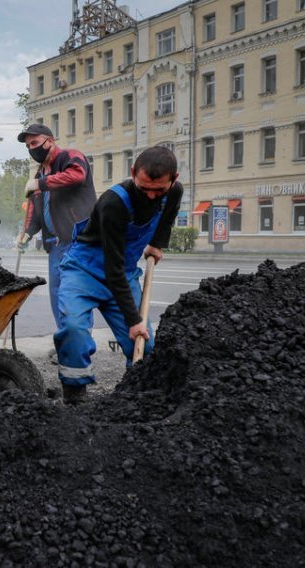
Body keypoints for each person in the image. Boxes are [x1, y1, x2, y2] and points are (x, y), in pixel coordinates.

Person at [54, 146, 183, 404]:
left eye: (158, 190)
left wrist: (157, 244)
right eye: (143, 187)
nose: (150, 196)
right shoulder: (114, 202)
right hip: (85, 270)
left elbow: (167, 218)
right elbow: (112, 270)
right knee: (73, 328)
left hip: (123, 272)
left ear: (173, 179)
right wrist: (134, 320)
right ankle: (75, 393)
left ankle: (132, 393)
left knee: (144, 346)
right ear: (133, 172)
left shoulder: (174, 193)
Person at [17, 124, 96, 330]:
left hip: (77, 242)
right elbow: (34, 212)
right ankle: (65, 342)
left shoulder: (70, 156)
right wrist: (25, 234)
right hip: (54, 245)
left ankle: (80, 346)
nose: (32, 148)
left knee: (74, 297)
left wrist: (41, 184)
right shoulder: (39, 174)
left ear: (49, 141)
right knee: (57, 296)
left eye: (35, 143)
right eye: (28, 146)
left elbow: (77, 175)